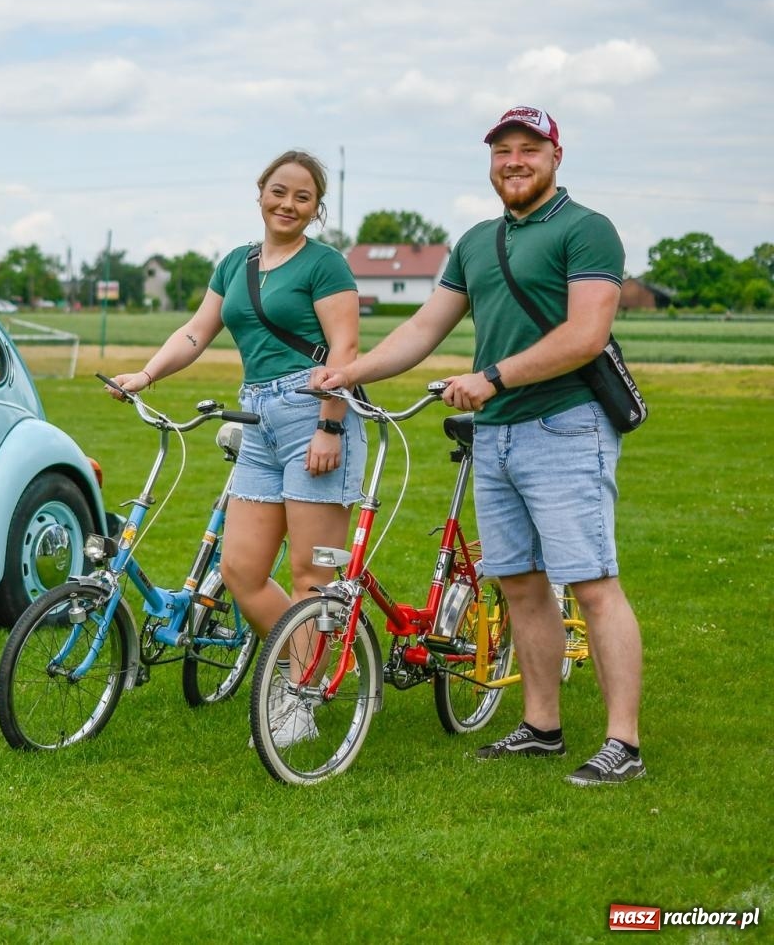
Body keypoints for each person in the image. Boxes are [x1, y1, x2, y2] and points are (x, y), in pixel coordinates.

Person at [311, 106, 644, 785]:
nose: (514, 161)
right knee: (519, 585)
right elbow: (425, 328)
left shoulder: (587, 231)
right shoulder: (476, 241)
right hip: (496, 436)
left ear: (555, 156)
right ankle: (541, 727)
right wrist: (352, 371)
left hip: (565, 425)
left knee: (593, 583)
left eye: (528, 149)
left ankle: (623, 744)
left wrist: (491, 377)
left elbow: (585, 336)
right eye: (502, 152)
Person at [108, 149, 365, 748]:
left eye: (303, 197)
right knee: (241, 570)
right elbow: (197, 331)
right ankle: (305, 662)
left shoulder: (325, 266)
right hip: (256, 416)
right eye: (279, 191)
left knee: (310, 573)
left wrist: (330, 424)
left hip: (312, 410)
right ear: (260, 194)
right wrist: (146, 375)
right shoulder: (235, 264)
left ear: (316, 208)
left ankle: (301, 697)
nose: (288, 204)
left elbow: (345, 349)